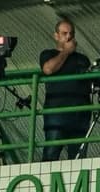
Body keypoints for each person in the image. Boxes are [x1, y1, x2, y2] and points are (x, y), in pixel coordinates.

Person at [40, 18, 92, 161]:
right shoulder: (48, 54)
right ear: (56, 36)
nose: (68, 37)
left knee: (78, 156)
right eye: (64, 33)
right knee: (51, 153)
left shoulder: (82, 59)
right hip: (57, 112)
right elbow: (48, 69)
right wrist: (66, 52)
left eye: (71, 33)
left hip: (80, 113)